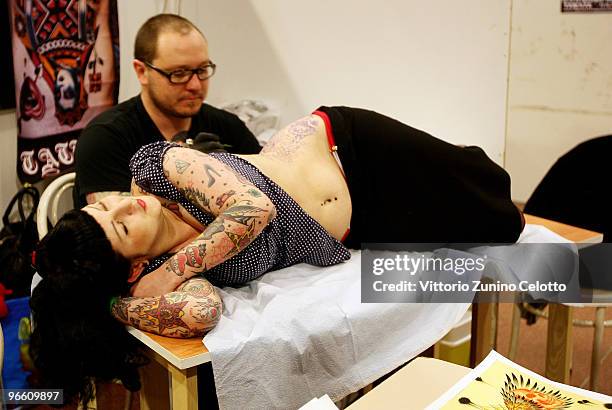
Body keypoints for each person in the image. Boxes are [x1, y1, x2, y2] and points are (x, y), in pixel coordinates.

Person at [31, 106, 524, 405]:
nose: (125, 202)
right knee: (494, 229)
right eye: (120, 224)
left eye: (108, 205)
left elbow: (253, 209)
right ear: (132, 265)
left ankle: (458, 155)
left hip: (351, 151)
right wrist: (119, 303)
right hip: (359, 226)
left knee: (502, 210)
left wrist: (172, 271)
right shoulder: (154, 276)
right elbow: (201, 312)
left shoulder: (156, 167)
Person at [73, 14, 261, 208]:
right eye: (179, 73)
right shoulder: (105, 138)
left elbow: (274, 196)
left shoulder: (228, 128)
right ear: (141, 71)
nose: (196, 85)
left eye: (203, 70)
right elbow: (119, 228)